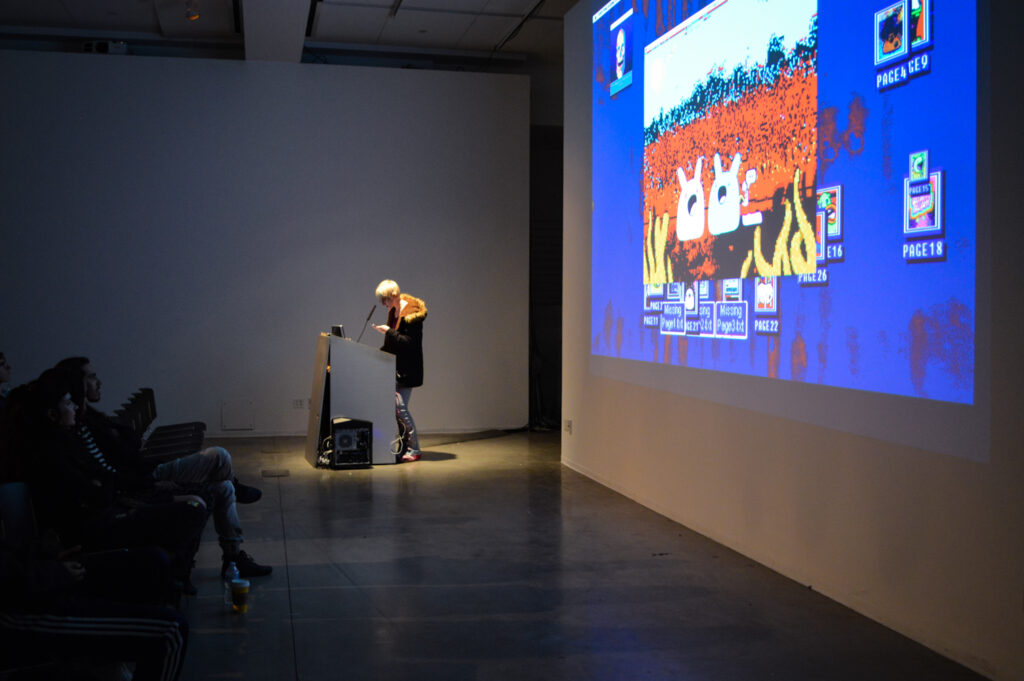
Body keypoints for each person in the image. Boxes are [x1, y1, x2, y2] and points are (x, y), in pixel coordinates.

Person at [54, 357, 272, 579]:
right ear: (77, 384)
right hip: (142, 480)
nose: (99, 382)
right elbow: (117, 467)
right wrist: (148, 478)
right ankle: (234, 497)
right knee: (219, 456)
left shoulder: (93, 420)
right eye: (91, 377)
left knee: (224, 487)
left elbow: (129, 451)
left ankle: (233, 558)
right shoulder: (80, 428)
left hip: (144, 472)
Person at [372, 279, 427, 462]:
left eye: (385, 299)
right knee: (398, 409)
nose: (383, 304)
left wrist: (389, 331)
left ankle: (414, 449)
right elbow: (393, 343)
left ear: (394, 296)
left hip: (407, 369)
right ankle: (405, 447)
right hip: (395, 367)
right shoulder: (394, 311)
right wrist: (376, 354)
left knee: (400, 408)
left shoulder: (412, 315)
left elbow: (409, 344)